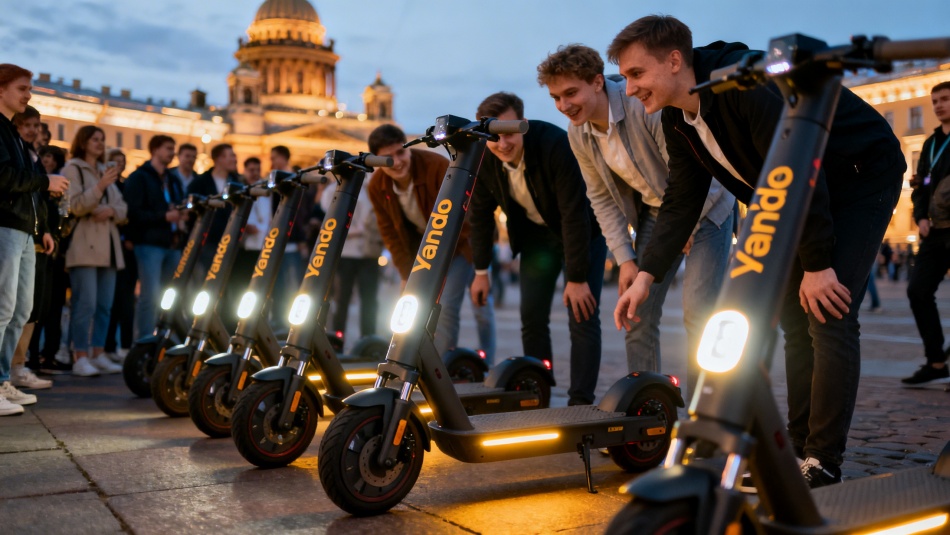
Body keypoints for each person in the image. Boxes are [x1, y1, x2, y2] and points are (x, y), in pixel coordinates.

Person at [608, 16, 905, 488]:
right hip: (800, 191)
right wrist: (647, 275)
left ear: (674, 60)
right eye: (624, 77)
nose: (629, 88)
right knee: (793, 317)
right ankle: (796, 446)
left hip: (857, 172)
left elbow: (799, 172)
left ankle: (822, 459)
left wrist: (819, 264)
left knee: (828, 308)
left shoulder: (744, 86)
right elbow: (682, 198)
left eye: (636, 74)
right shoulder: (676, 118)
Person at [538, 44, 734, 397]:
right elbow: (599, 197)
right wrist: (625, 258)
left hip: (708, 207)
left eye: (571, 93)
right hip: (657, 214)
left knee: (699, 316)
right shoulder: (578, 133)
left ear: (598, 82)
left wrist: (684, 225)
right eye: (555, 98)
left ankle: (705, 413)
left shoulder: (642, 106)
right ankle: (648, 405)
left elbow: (690, 171)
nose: (564, 106)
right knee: (637, 315)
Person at [468, 92, 605, 404]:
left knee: (582, 314)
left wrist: (578, 277)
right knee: (531, 317)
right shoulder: (484, 158)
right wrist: (481, 271)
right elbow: (480, 216)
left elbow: (574, 212)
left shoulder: (554, 143)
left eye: (509, 133)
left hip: (584, 231)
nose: (502, 143)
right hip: (537, 240)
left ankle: (580, 400)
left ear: (523, 124)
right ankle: (538, 393)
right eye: (493, 136)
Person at [367, 124, 494, 359]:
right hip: (427, 250)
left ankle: (449, 368)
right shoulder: (377, 185)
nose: (397, 162)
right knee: (417, 306)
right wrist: (406, 273)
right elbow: (390, 234)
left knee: (472, 306)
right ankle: (426, 360)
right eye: (388, 158)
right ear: (376, 161)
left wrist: (479, 264)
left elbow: (467, 215)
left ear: (408, 148)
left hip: (463, 243)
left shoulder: (436, 166)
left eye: (401, 153)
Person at [0, 64, 69, 415]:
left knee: (20, 309)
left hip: (25, 229)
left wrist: (41, 225)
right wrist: (46, 182)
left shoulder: (13, 135)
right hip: (6, 225)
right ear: (1, 90)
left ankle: (3, 379)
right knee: (2, 307)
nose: (28, 95)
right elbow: (4, 177)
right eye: (22, 88)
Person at [63, 125, 128, 377]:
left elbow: (122, 207)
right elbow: (75, 205)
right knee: (85, 303)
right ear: (83, 142)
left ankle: (98, 353)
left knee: (104, 305)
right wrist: (100, 187)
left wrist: (112, 211)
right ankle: (79, 355)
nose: (100, 143)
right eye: (94, 139)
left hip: (109, 247)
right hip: (84, 245)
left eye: (102, 139)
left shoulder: (105, 169)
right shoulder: (73, 168)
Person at [903, 82, 950, 385]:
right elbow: (919, 185)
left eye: (945, 99)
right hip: (934, 231)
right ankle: (936, 362)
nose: (938, 105)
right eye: (935, 101)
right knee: (917, 291)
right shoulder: (931, 143)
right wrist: (919, 216)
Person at [9, 105, 55, 390]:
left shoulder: (31, 156)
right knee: (10, 306)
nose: (32, 129)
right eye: (26, 124)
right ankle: (10, 370)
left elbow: (39, 199)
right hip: (13, 228)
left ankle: (16, 367)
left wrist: (46, 230)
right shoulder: (15, 152)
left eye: (36, 125)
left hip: (31, 232)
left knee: (28, 307)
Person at [124, 135, 185, 343]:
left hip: (172, 243)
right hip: (149, 244)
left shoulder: (172, 179)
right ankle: (145, 341)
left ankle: (167, 337)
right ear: (155, 149)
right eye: (168, 148)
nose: (172, 153)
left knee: (171, 295)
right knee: (149, 296)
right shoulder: (139, 177)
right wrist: (164, 216)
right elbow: (132, 213)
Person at [321, 176, 383, 340]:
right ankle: (337, 338)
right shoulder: (331, 190)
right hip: (345, 253)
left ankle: (368, 339)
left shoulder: (369, 189)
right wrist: (357, 230)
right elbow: (329, 219)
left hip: (368, 253)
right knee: (342, 299)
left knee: (369, 299)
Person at [103, 149, 136, 361]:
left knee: (125, 299)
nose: (119, 165)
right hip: (108, 246)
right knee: (109, 301)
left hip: (126, 248)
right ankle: (107, 347)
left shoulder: (126, 186)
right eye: (115, 161)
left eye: (122, 162)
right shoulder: (105, 185)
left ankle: (124, 345)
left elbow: (128, 213)